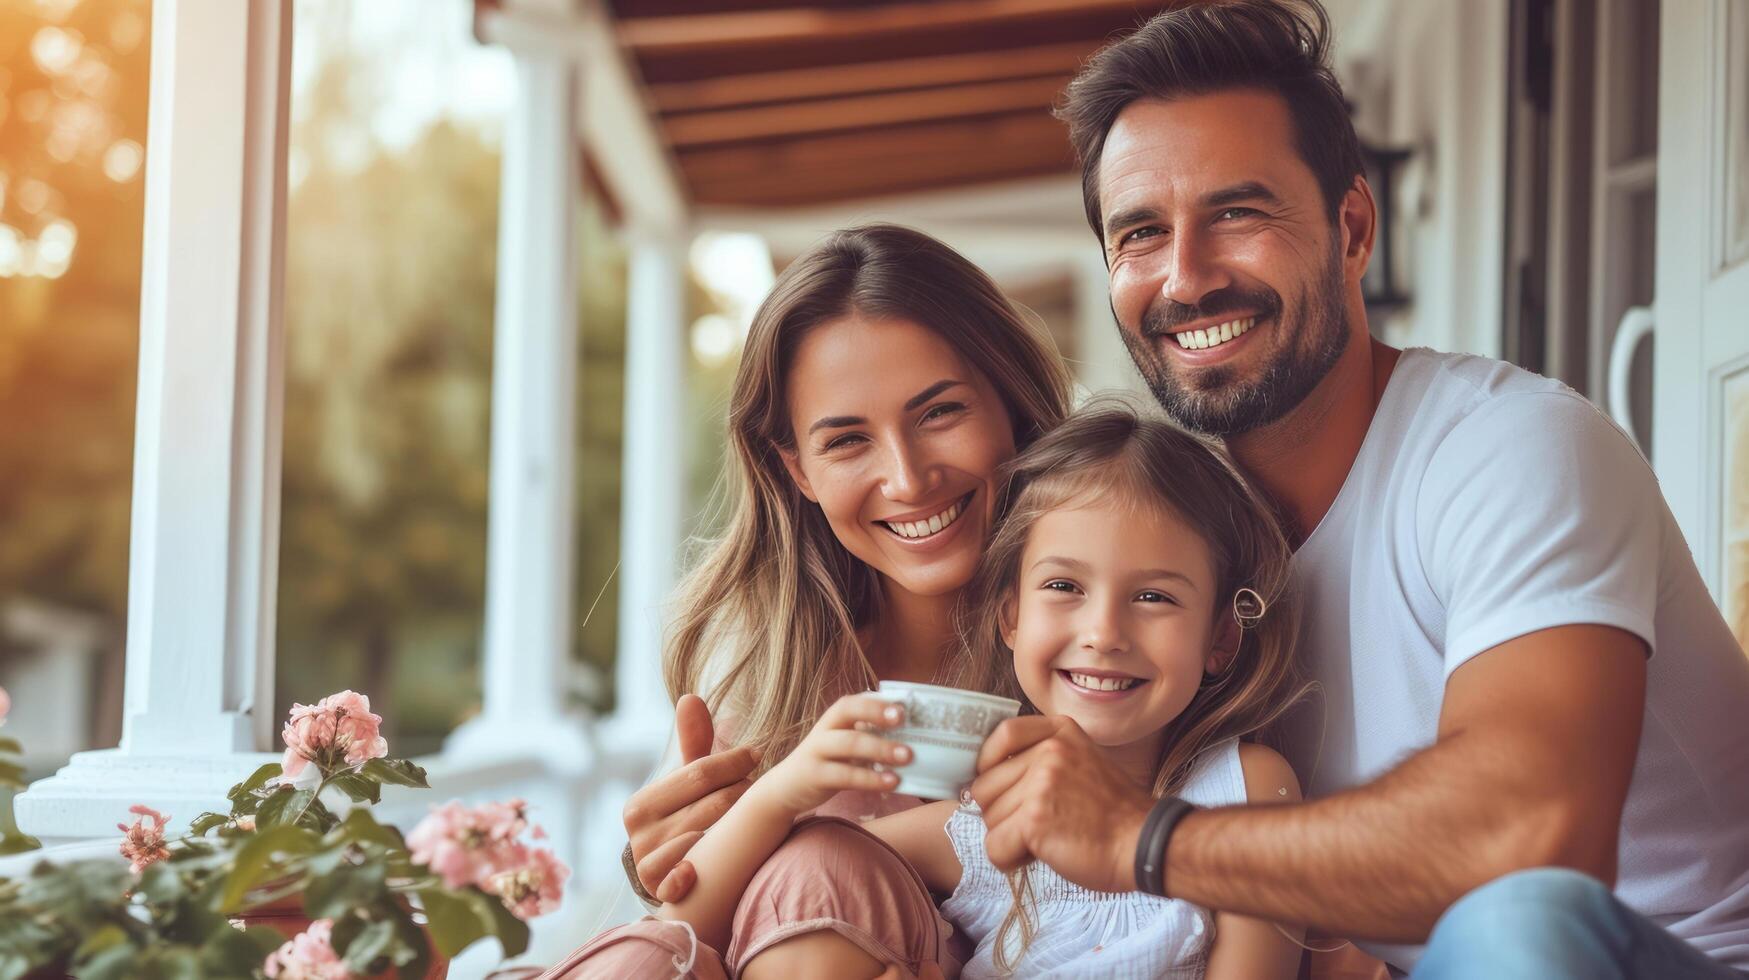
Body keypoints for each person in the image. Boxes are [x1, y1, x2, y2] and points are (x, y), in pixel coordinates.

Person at [968, 2, 1749, 977]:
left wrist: (1145, 838)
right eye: (1139, 233)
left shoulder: (1509, 449)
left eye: (1236, 214)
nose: (1187, 277)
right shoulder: (1173, 535)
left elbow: (1534, 838)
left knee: (1518, 921)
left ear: (1352, 225)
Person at [542, 223, 1073, 978]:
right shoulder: (765, 674)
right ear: (796, 471)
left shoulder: (1113, 633)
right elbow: (678, 930)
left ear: (1010, 404)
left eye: (939, 412)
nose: (907, 478)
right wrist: (668, 865)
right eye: (847, 441)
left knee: (818, 864)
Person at [649, 403, 1309, 979]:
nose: (1103, 632)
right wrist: (781, 791)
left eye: (1153, 597)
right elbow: (679, 930)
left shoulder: (1243, 792)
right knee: (817, 861)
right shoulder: (973, 828)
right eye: (1063, 587)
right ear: (1010, 618)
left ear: (1219, 638)